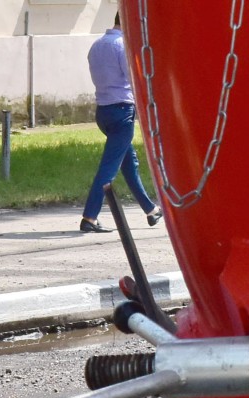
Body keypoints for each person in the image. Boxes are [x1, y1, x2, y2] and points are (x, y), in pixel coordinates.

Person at [81, 16, 162, 234]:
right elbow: (134, 79)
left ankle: (151, 210)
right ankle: (89, 217)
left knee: (129, 163)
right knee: (108, 169)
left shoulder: (97, 45)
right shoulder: (122, 46)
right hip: (122, 111)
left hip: (103, 111)